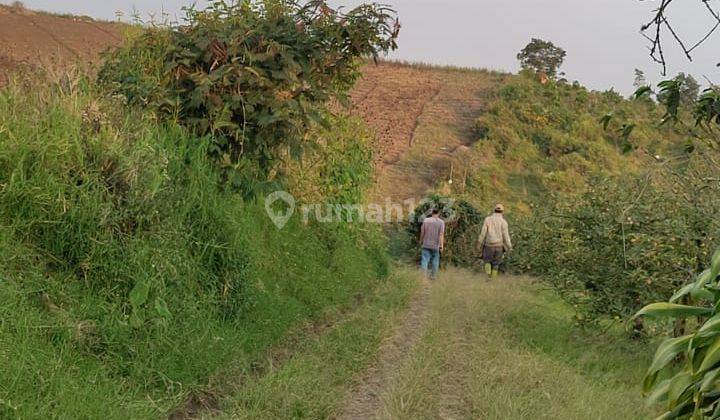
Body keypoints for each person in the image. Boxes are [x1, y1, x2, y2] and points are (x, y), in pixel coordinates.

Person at [477, 203, 512, 278]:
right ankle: (493, 280)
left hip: (488, 246)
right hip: (499, 246)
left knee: (487, 261)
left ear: (494, 210)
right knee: (496, 264)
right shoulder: (504, 222)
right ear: (502, 211)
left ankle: (488, 277)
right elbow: (506, 236)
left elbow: (483, 233)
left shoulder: (487, 219)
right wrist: (509, 246)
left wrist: (479, 244)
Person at [419, 208, 445, 280]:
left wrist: (420, 240)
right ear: (438, 213)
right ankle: (433, 276)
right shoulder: (441, 222)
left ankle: (423, 276)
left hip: (426, 243)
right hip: (435, 245)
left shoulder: (426, 220)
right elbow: (441, 234)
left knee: (424, 259)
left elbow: (422, 232)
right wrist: (441, 246)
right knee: (435, 260)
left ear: (432, 213)